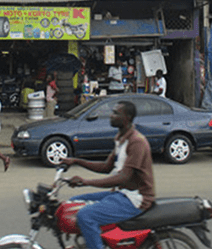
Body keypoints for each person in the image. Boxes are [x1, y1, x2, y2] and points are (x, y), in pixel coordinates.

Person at [63, 101, 155, 249]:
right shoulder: (121, 138)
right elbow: (106, 167)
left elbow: (123, 177)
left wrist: (86, 182)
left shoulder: (136, 142)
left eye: (116, 113)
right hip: (121, 193)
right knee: (73, 202)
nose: (111, 116)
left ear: (128, 117)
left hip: (135, 198)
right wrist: (76, 161)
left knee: (85, 215)